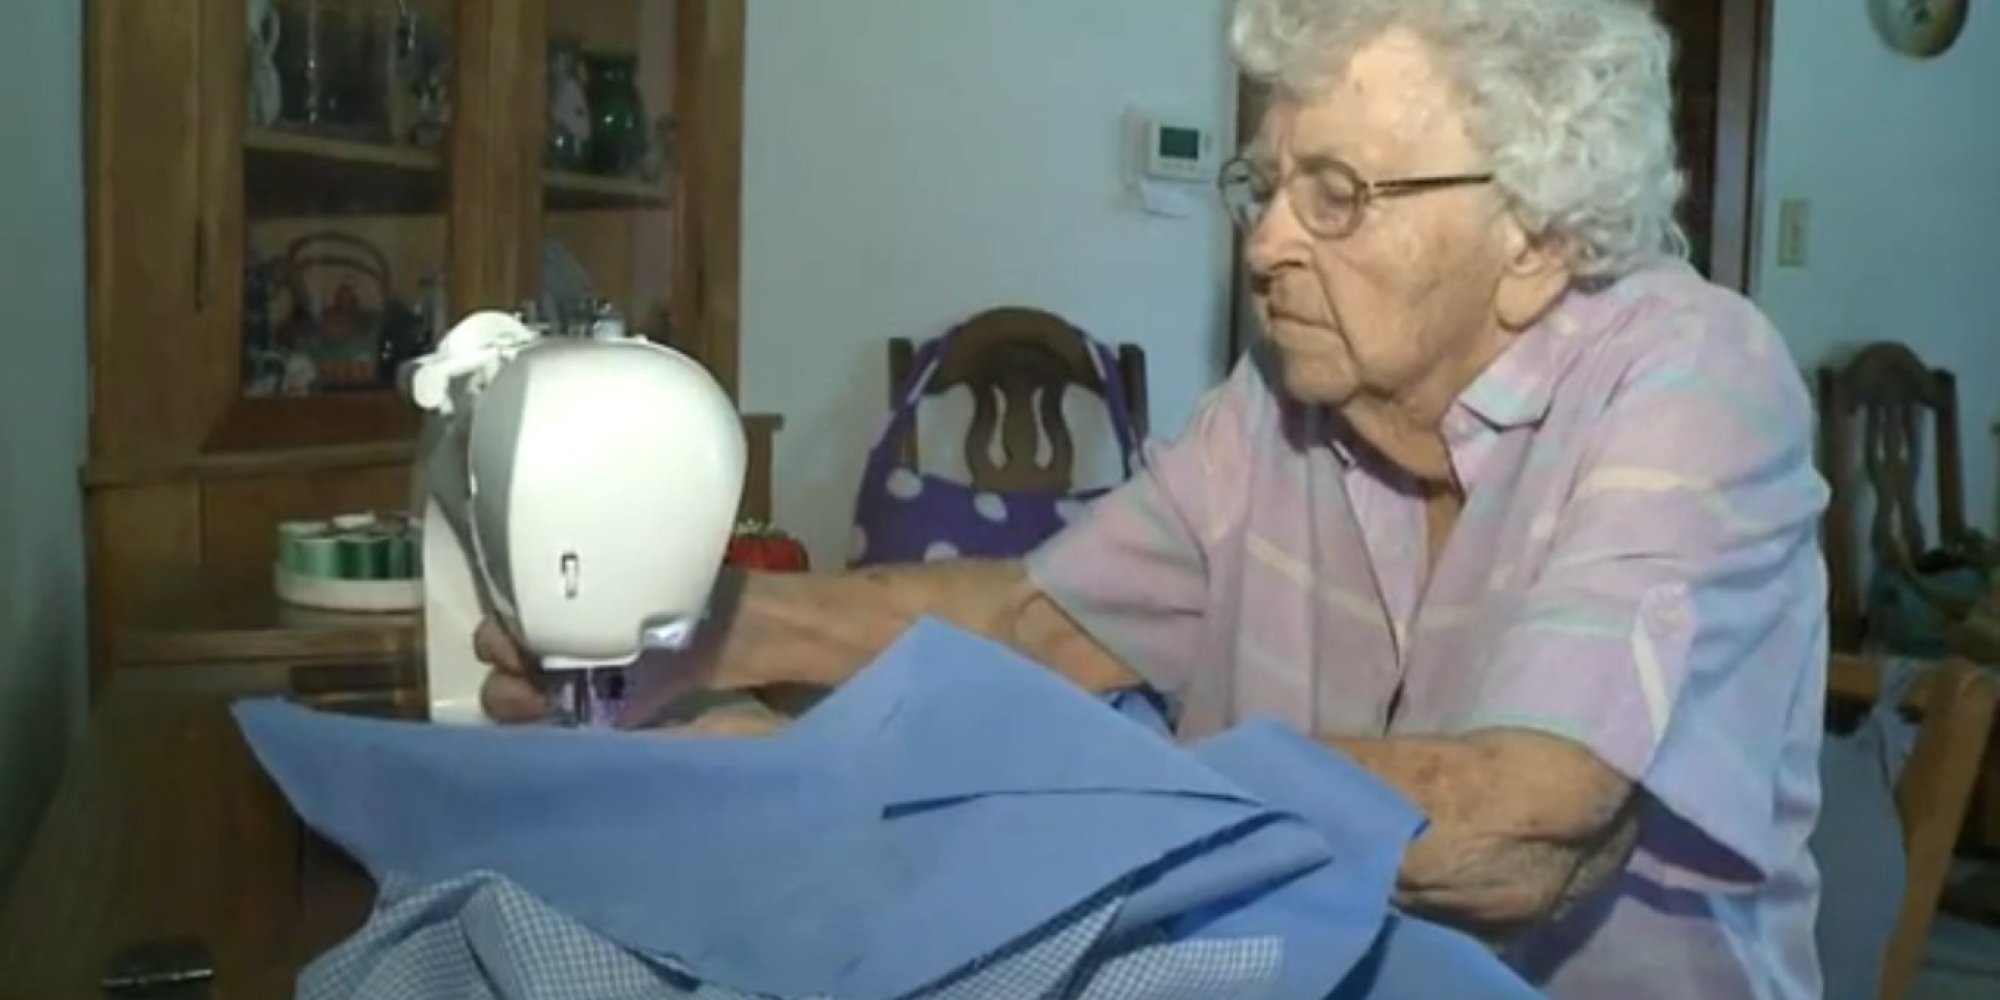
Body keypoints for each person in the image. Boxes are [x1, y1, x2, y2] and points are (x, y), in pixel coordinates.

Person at [479, 0, 1831, 995]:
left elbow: (1524, 827)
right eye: (1266, 186)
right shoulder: (1280, 407)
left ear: (1531, 236)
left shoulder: (1692, 378)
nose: (1266, 243)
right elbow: (1034, 625)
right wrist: (701, 631)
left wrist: (1034, 788)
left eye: (1337, 194)